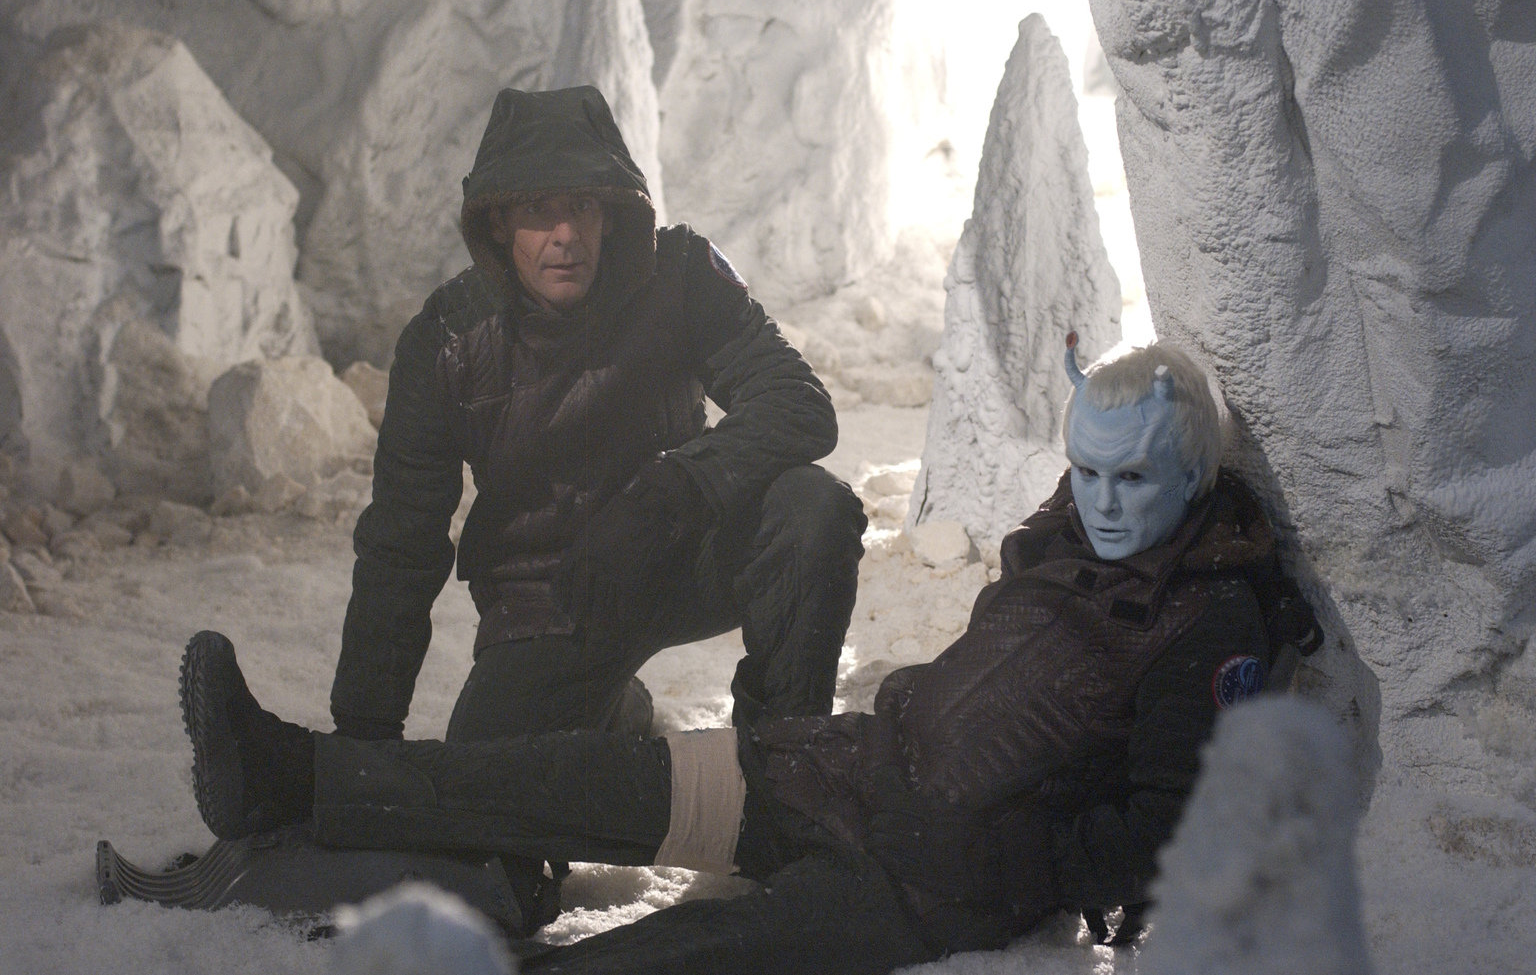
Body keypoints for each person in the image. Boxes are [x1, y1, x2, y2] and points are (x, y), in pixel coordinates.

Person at [160, 340, 1321, 973]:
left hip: (924, 881)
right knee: (556, 777)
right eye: (1087, 468)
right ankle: (287, 771)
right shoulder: (1068, 534)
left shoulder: (1208, 624)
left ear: (1194, 473)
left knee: (650, 960)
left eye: (1133, 477)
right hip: (838, 767)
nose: (1102, 500)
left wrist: (1010, 853)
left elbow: (1165, 833)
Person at [329, 85, 866, 927]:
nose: (565, 234)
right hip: (551, 597)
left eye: (581, 206)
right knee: (484, 828)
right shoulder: (446, 340)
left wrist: (672, 489)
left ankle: (785, 782)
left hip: (681, 547)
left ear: (613, 213)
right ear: (497, 225)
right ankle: (611, 715)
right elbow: (402, 542)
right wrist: (364, 737)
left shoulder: (680, 274)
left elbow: (798, 404)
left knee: (812, 508)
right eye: (537, 211)